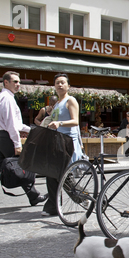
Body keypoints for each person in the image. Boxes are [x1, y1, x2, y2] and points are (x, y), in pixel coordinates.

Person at [0, 71, 47, 210]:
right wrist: (17, 144)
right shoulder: (7, 98)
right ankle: (34, 195)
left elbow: (16, 124)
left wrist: (32, 129)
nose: (18, 84)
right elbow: (12, 125)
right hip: (6, 137)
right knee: (21, 164)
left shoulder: (4, 97)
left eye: (19, 82)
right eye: (15, 81)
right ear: (6, 82)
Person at [41, 73, 83, 216]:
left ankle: (84, 198)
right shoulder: (57, 103)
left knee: (62, 174)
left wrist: (59, 123)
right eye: (57, 82)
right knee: (52, 173)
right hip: (56, 141)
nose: (60, 85)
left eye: (63, 83)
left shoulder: (70, 101)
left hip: (67, 141)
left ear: (68, 86)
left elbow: (75, 121)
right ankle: (53, 205)